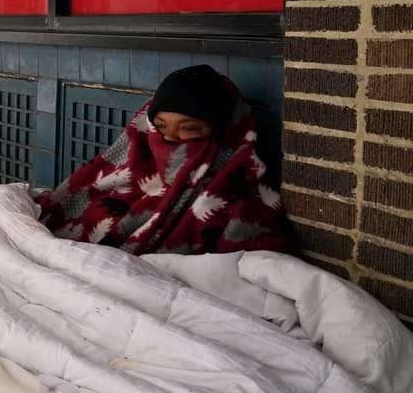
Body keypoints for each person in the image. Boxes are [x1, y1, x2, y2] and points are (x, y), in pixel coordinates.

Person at [36, 64, 289, 255]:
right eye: (161, 127)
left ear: (219, 131)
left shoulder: (242, 196)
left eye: (188, 129)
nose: (170, 138)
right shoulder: (128, 164)